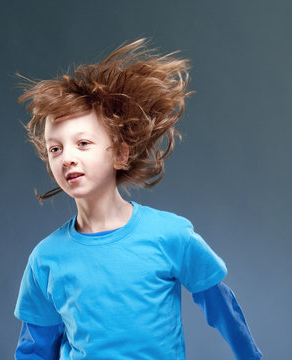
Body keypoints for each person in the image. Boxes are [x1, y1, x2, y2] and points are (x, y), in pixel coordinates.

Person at [14, 39, 262, 359]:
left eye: (83, 143)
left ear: (120, 154)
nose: (67, 158)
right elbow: (35, 349)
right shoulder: (45, 260)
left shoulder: (170, 236)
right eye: (55, 148)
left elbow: (222, 308)